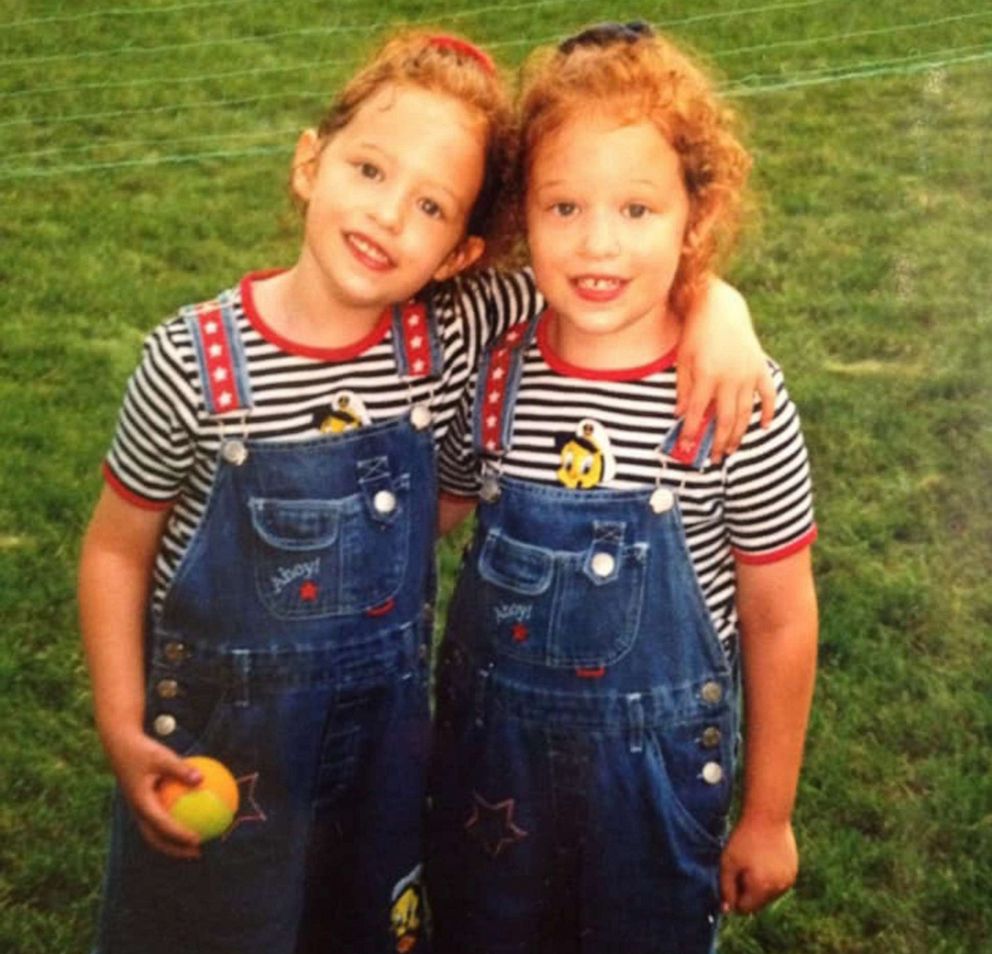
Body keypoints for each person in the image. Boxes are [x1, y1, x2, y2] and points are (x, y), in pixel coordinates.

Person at [78, 28, 771, 954]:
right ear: (307, 162)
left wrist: (717, 303)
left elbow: (603, 263)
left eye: (431, 204)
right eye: (368, 170)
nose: (387, 216)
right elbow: (115, 550)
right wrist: (121, 725)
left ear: (460, 252)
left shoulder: (448, 337)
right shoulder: (192, 363)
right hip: (217, 753)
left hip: (382, 770)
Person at [428, 22, 819, 954]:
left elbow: (779, 613)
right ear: (522, 214)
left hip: (656, 803)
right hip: (492, 791)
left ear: (699, 213)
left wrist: (768, 813)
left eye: (638, 210)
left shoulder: (734, 396)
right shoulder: (494, 370)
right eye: (564, 207)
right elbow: (426, 524)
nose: (598, 242)